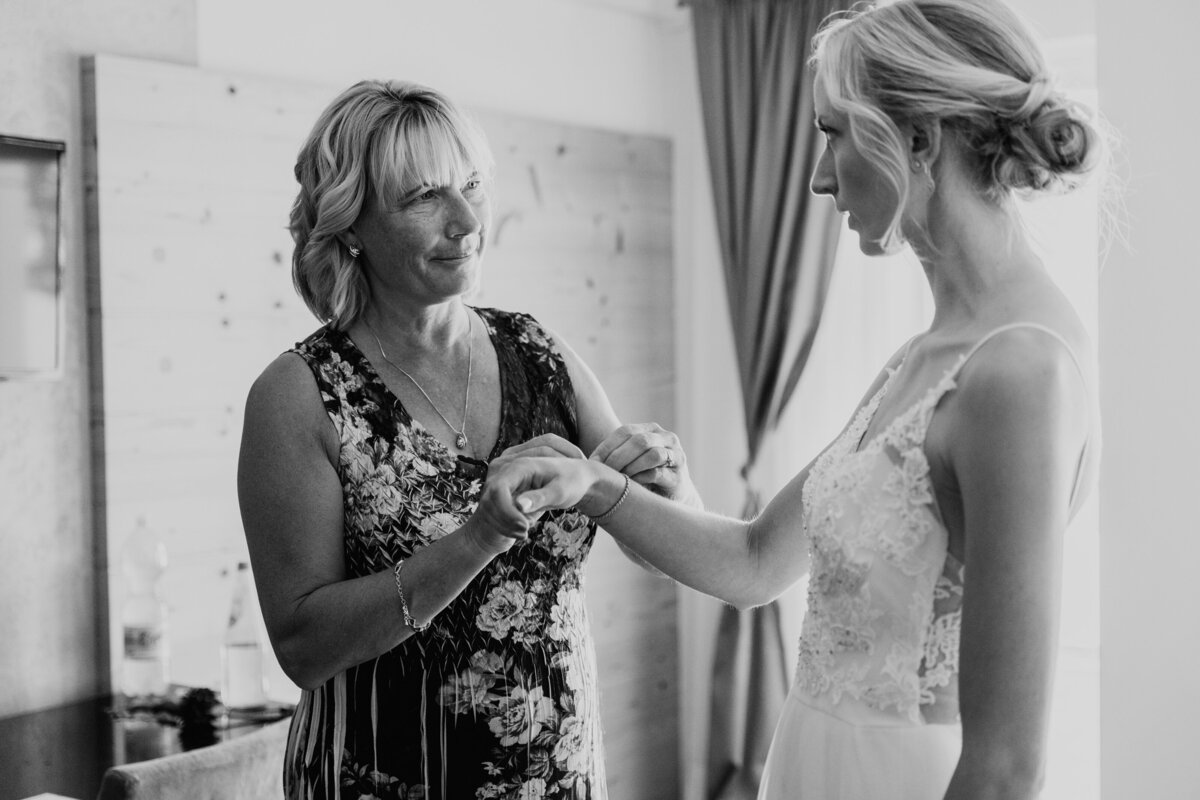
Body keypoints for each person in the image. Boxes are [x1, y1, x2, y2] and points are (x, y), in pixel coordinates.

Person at [483, 1, 1106, 797]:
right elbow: (753, 563)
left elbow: (1004, 769)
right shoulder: (918, 361)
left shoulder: (1020, 374)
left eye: (831, 134)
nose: (817, 177)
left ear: (917, 138)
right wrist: (596, 486)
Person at [236, 79, 697, 800]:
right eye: (423, 197)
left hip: (559, 779)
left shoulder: (538, 350)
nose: (466, 220)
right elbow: (303, 646)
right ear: (351, 226)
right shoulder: (299, 396)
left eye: (472, 185)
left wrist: (666, 482)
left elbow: (658, 545)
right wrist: (476, 538)